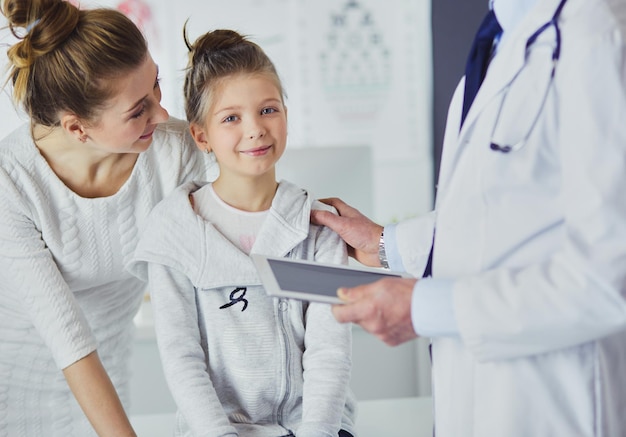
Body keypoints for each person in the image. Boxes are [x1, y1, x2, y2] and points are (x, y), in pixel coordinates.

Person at [311, 0, 626, 436]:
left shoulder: (597, 34)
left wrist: (427, 307)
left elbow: (609, 278)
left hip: (550, 406)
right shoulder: (498, 44)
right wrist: (384, 242)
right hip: (472, 401)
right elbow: (494, 215)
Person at [126, 29, 357, 437]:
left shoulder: (319, 227)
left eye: (268, 110)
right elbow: (183, 358)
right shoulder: (175, 232)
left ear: (286, 113)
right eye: (231, 118)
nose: (254, 129)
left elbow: (329, 352)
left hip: (314, 427)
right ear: (201, 136)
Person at [0, 0, 214, 435]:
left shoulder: (174, 152)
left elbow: (228, 247)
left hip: (107, 382)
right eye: (138, 110)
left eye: (156, 85)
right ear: (77, 128)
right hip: (12, 383)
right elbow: (67, 336)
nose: (162, 113)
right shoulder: (11, 181)